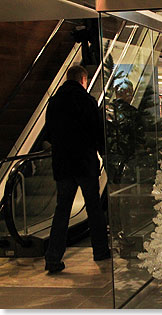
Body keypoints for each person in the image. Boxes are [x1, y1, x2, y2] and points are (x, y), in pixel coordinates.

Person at [44, 65, 110, 273]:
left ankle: (53, 257)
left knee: (62, 210)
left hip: (63, 165)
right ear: (83, 79)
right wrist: (103, 154)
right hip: (85, 163)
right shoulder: (87, 101)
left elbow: (48, 135)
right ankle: (100, 250)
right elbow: (98, 132)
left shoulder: (54, 102)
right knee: (93, 208)